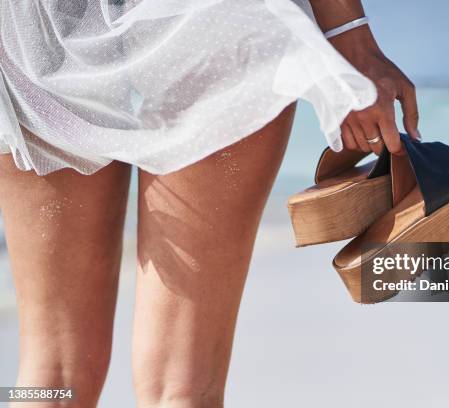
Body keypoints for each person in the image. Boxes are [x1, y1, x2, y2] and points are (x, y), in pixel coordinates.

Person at [0, 0, 418, 406]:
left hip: (29, 20)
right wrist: (351, 37)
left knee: (50, 378)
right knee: (182, 387)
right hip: (209, 14)